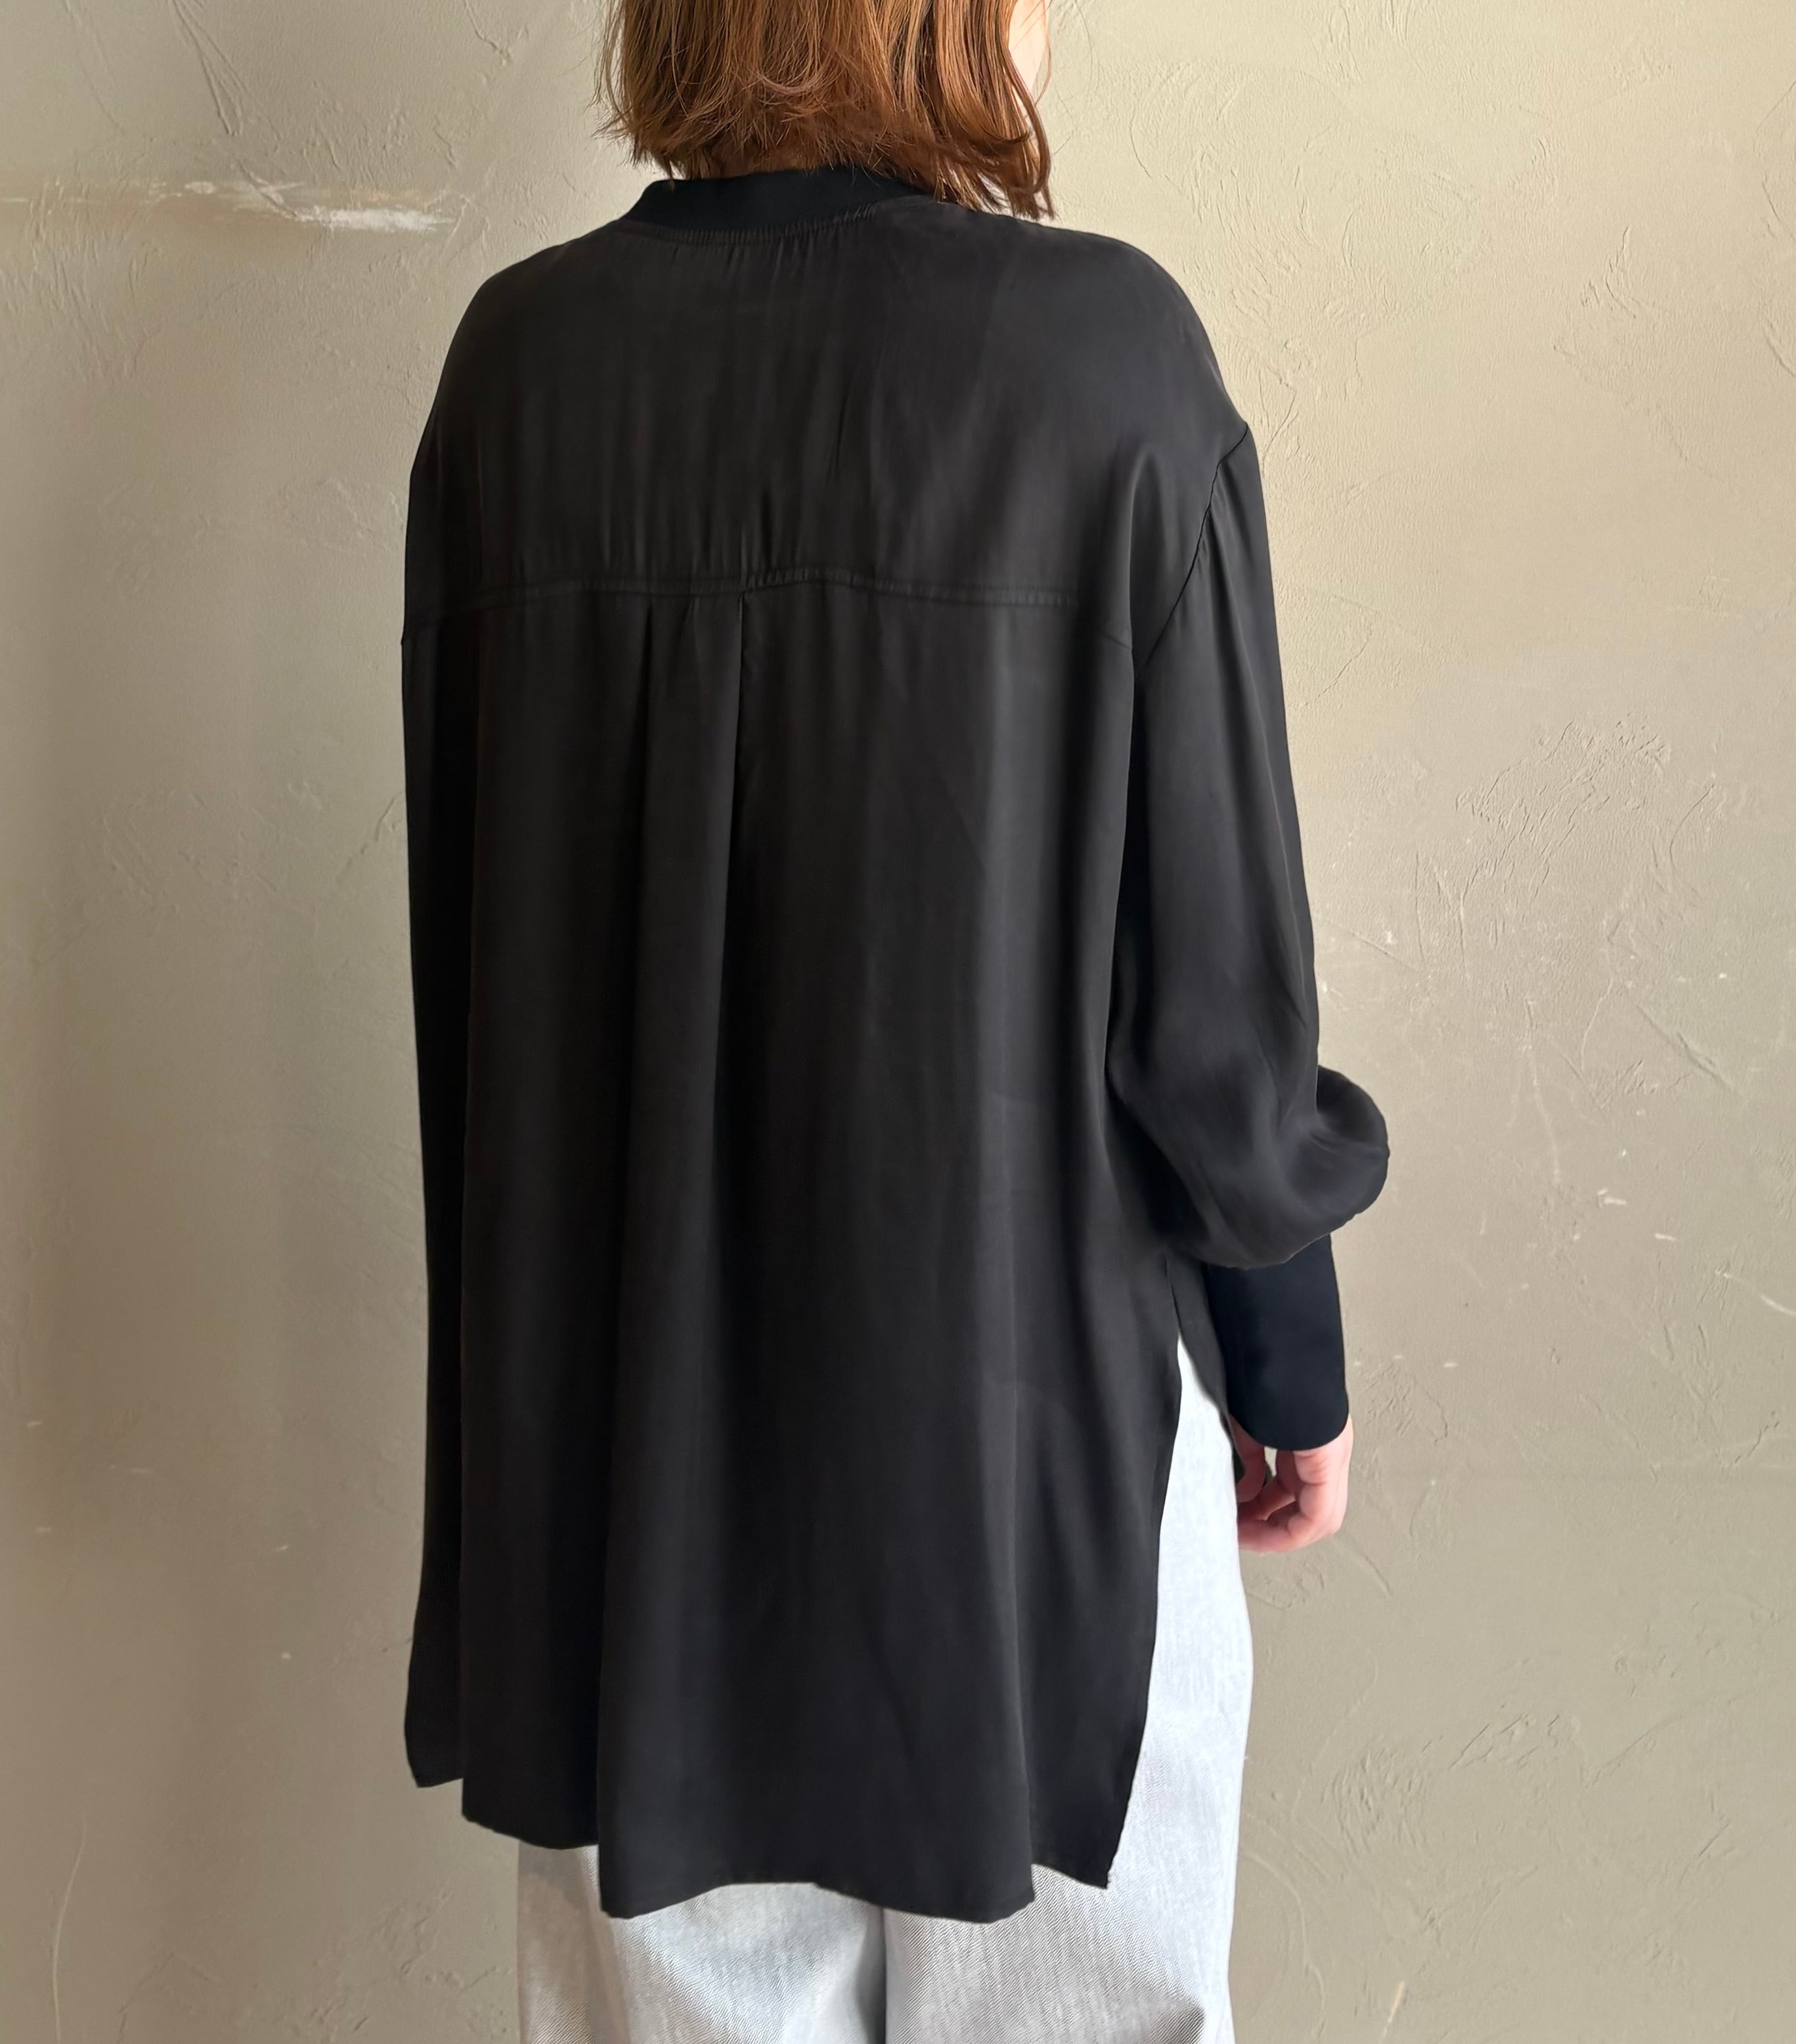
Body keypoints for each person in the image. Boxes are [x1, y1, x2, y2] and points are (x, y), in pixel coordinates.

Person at [396, 1, 1390, 2035]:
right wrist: (1284, 1353)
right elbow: (1210, 979)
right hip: (1036, 1449)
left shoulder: (520, 371)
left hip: (630, 1471)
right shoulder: (1102, 359)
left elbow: (484, 968)